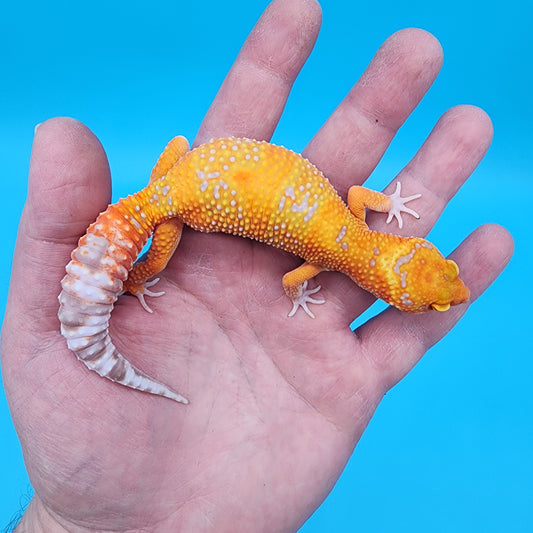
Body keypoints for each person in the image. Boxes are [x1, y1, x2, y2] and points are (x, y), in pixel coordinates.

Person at [1, 0, 513, 531]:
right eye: (432, 299)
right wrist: (293, 295)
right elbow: (293, 278)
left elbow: (361, 196)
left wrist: (389, 206)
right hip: (176, 208)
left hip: (180, 172)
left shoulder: (353, 223)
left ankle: (134, 267)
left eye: (438, 289)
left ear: (408, 254)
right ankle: (134, 279)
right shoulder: (327, 260)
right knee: (154, 259)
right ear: (390, 289)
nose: (448, 296)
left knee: (176, 152)